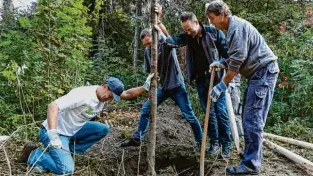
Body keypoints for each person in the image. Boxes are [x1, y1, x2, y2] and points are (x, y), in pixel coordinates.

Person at [19, 75, 154, 174]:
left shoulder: (104, 95)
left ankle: (67, 152)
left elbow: (127, 93)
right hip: (56, 132)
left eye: (113, 98)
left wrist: (145, 86)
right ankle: (33, 154)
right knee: (66, 170)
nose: (110, 100)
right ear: (105, 87)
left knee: (103, 129)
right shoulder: (83, 94)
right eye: (110, 96)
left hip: (73, 130)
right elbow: (53, 106)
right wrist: (53, 134)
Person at [206, 1, 279, 175]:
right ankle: (250, 158)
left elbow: (237, 63)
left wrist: (222, 85)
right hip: (259, 75)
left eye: (212, 18)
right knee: (249, 116)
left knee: (252, 119)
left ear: (222, 14)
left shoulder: (236, 29)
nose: (211, 22)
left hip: (263, 74)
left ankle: (251, 165)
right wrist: (223, 62)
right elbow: (235, 57)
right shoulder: (232, 29)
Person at [159, 10, 240, 158]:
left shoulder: (214, 33)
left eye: (189, 29)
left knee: (221, 112)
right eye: (185, 30)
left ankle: (226, 144)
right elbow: (176, 40)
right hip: (201, 81)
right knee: (209, 113)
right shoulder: (189, 36)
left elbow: (229, 56)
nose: (188, 33)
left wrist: (221, 65)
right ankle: (214, 143)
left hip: (216, 80)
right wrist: (165, 40)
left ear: (196, 22)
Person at [120, 13, 202, 150]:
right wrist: (151, 87)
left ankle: (200, 142)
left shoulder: (166, 45)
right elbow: (151, 72)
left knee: (189, 116)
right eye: (145, 45)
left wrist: (158, 22)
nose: (148, 46)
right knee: (146, 109)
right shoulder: (147, 52)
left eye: (150, 43)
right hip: (163, 88)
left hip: (177, 86)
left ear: (155, 38)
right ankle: (137, 138)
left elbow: (166, 37)